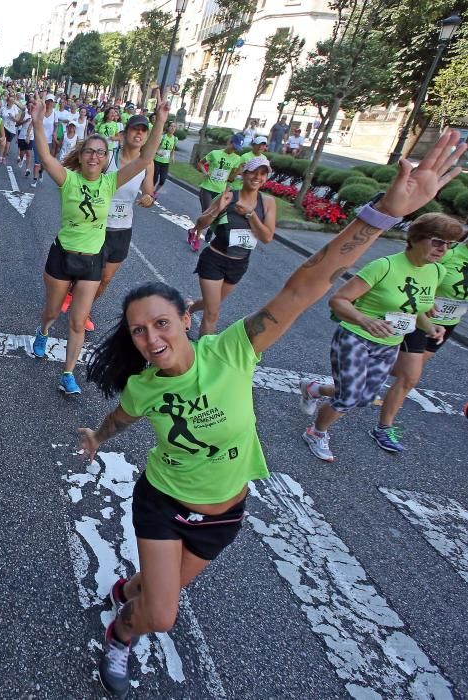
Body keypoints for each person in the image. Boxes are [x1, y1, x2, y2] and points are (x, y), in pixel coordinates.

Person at [78, 129, 465, 697]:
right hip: (163, 502)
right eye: (138, 330)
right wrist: (97, 438)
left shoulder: (234, 348)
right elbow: (122, 419)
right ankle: (120, 633)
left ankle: (126, 593)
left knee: (153, 591)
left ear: (186, 318)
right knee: (160, 615)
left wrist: (384, 213)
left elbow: (307, 283)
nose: (150, 337)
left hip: (225, 512)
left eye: (160, 322)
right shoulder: (143, 385)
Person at [31, 94, 171, 396]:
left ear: (106, 158)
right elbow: (45, 157)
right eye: (89, 152)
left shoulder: (110, 182)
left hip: (92, 261)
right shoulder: (67, 179)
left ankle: (68, 373)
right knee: (53, 312)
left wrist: (159, 120)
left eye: (100, 153)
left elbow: (146, 159)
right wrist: (37, 122)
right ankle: (42, 331)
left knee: (78, 322)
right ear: (81, 156)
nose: (94, 156)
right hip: (62, 257)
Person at [299, 212, 460, 461]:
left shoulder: (436, 271)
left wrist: (430, 328)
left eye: (449, 244)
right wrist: (366, 320)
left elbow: (414, 308)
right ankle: (316, 432)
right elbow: (338, 300)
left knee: (364, 397)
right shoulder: (384, 266)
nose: (443, 249)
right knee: (349, 397)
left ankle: (315, 389)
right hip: (355, 336)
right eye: (438, 241)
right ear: (417, 238)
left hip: (389, 344)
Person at [362, 214, 467, 452]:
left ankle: (322, 388)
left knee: (395, 373)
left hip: (446, 325)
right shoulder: (449, 254)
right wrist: (426, 302)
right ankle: (383, 428)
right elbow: (417, 272)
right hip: (416, 319)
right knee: (409, 377)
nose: (443, 246)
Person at [62, 115, 161, 333]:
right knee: (88, 272)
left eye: (143, 131)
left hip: (122, 229)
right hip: (96, 225)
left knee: (105, 279)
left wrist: (148, 198)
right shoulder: (110, 158)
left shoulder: (147, 163)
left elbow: (148, 190)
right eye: (135, 129)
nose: (139, 134)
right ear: (124, 133)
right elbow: (87, 175)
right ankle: (71, 292)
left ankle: (85, 309)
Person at [188, 156, 277, 336]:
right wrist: (217, 208)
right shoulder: (228, 197)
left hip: (239, 264)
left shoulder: (267, 203)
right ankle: (204, 355)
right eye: (253, 172)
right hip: (214, 259)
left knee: (211, 303)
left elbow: (267, 237)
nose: (257, 177)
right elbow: (199, 224)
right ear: (244, 174)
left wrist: (251, 215)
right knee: (212, 314)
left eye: (262, 173)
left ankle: (188, 307)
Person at [187, 134, 243, 253]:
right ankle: (197, 240)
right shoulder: (215, 153)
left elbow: (231, 178)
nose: (234, 149)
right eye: (234, 146)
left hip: (220, 191)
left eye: (237, 148)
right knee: (206, 214)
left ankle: (192, 231)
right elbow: (201, 163)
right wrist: (205, 172)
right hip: (207, 187)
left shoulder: (237, 159)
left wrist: (238, 171)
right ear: (230, 141)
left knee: (211, 218)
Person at [31, 94, 58, 188]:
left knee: (44, 161)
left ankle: (41, 171)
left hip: (49, 141)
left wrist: (55, 133)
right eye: (48, 101)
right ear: (45, 102)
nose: (50, 103)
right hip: (38, 139)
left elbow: (56, 125)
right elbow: (34, 122)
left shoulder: (55, 113)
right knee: (37, 161)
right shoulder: (41, 111)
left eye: (51, 101)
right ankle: (34, 179)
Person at [153, 122, 178, 193]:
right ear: (168, 127)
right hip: (157, 160)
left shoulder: (175, 139)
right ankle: (150, 192)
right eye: (171, 126)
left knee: (162, 181)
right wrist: (158, 153)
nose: (173, 128)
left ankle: (155, 192)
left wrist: (173, 156)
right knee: (154, 179)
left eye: (174, 127)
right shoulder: (162, 137)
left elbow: (173, 149)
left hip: (166, 162)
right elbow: (154, 148)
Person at [0, 93, 22, 166]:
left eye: (13, 101)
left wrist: (12, 117)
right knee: (3, 143)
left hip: (11, 129)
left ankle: (4, 158)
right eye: (10, 101)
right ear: (7, 101)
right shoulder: (3, 108)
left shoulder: (15, 108)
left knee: (7, 145)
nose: (11, 103)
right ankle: (0, 157)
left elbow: (17, 120)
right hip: (3, 127)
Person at [17, 99, 35, 174]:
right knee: (22, 152)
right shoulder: (24, 114)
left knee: (28, 152)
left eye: (32, 106)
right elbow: (18, 123)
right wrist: (25, 121)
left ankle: (27, 169)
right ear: (27, 106)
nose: (30, 108)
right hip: (22, 135)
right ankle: (21, 159)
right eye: (29, 106)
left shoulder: (34, 115)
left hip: (30, 136)